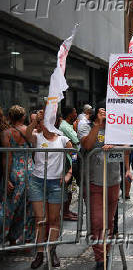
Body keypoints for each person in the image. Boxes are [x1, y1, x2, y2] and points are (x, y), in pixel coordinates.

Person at [78, 102, 131, 270]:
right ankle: (100, 259)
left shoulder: (117, 127)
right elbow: (87, 145)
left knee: (109, 221)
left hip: (113, 181)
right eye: (104, 111)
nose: (107, 115)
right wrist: (97, 124)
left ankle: (106, 253)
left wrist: (114, 147)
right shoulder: (85, 125)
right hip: (94, 182)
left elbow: (127, 146)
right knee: (97, 222)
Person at [25, 110, 73, 268]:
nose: (46, 124)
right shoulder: (36, 136)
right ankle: (39, 253)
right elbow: (27, 134)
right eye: (43, 121)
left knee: (54, 220)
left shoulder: (63, 139)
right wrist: (35, 120)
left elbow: (74, 155)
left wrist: (68, 173)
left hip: (55, 185)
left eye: (48, 120)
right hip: (37, 182)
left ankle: (52, 251)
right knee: (40, 219)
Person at [0, 105, 35, 248]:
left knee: (9, 208)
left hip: (15, 172)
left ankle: (9, 239)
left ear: (10, 117)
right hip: (31, 171)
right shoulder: (28, 131)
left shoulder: (6, 133)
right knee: (27, 208)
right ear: (23, 117)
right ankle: (25, 239)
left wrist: (7, 178)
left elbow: (6, 158)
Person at [58, 107, 80, 221]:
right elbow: (77, 140)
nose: (76, 114)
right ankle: (65, 212)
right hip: (69, 160)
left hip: (74, 159)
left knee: (72, 188)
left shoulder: (69, 125)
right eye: (74, 112)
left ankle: (67, 211)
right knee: (69, 187)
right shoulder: (64, 126)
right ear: (69, 114)